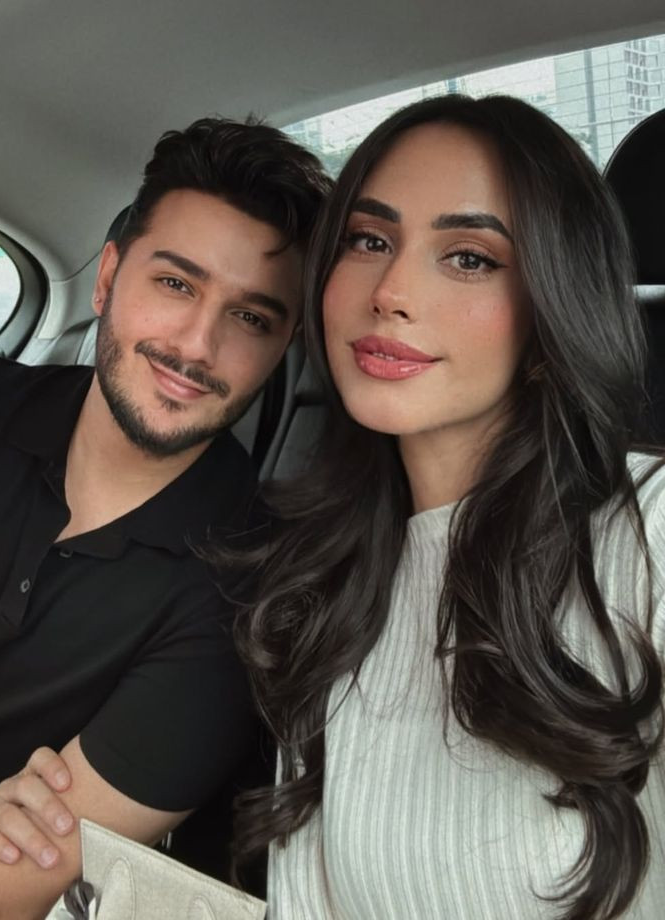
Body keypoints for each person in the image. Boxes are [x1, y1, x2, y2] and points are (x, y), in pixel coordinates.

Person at [232, 95, 663, 918]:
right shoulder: (323, 579)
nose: (390, 291)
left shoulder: (650, 534)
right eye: (369, 240)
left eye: (469, 257)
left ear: (553, 310)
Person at [0, 117, 331, 919]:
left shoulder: (248, 590)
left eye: (251, 318)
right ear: (108, 277)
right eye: (176, 284)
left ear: (285, 341)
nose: (197, 345)